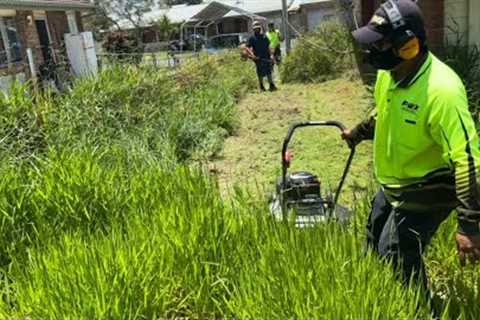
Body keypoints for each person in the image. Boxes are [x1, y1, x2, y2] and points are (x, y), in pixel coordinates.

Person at [342, 0, 480, 298]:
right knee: (373, 243)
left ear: (408, 45)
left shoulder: (441, 91)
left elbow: (467, 159)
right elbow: (385, 113)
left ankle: (417, 309)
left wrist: (468, 225)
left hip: (429, 186)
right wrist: (358, 132)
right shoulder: (388, 73)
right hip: (394, 183)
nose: (370, 52)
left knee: (397, 257)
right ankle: (382, 302)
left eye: (379, 44)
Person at [247, 21, 277, 92]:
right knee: (260, 73)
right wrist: (252, 55)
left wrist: (272, 55)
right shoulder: (252, 38)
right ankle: (261, 86)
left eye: (258, 28)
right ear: (253, 29)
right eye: (255, 28)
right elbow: (247, 48)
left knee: (268, 71)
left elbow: (269, 46)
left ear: (260, 28)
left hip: (266, 57)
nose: (257, 29)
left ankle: (271, 85)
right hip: (258, 58)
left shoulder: (264, 36)